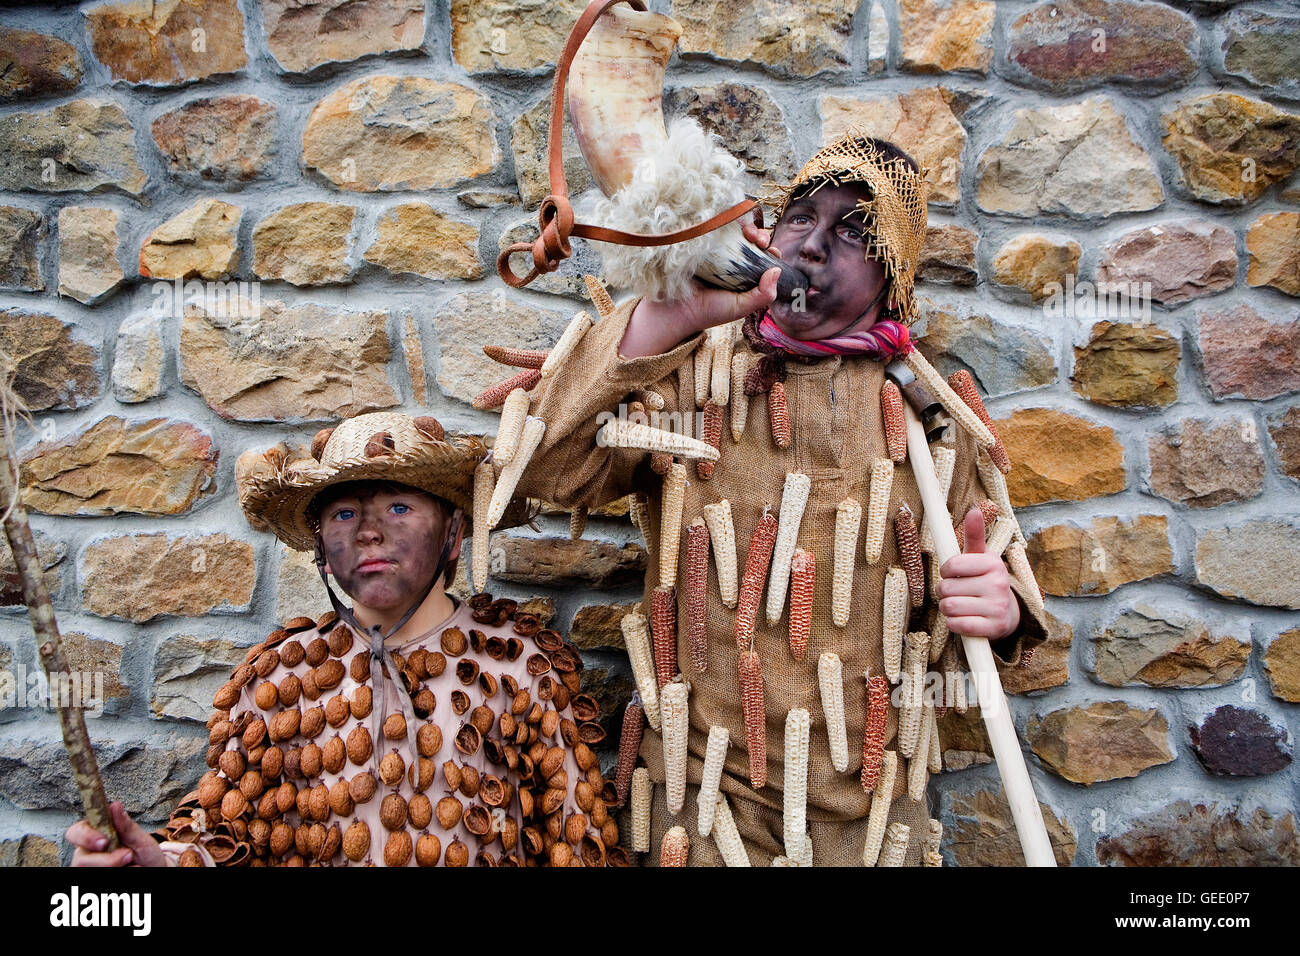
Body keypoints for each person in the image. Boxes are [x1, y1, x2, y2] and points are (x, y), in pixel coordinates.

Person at [505, 134, 1050, 865]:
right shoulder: (689, 376)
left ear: (894, 275)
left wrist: (1003, 608)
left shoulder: (931, 416)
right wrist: (669, 317)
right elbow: (544, 468)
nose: (814, 246)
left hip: (865, 821)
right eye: (801, 218)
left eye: (854, 233)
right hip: (696, 810)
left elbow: (1004, 578)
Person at [66, 411, 623, 867]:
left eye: (399, 507)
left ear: (454, 534)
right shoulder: (279, 678)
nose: (369, 531)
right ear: (321, 549)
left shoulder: (522, 668)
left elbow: (578, 844)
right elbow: (221, 832)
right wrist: (156, 866)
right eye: (344, 512)